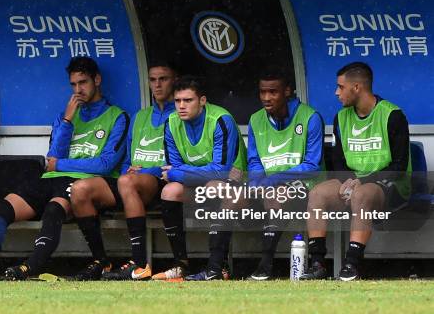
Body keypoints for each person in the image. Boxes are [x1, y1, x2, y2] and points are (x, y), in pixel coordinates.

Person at [0, 57, 128, 280]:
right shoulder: (64, 116)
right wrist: (68, 121)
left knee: (54, 210)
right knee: (3, 207)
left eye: (83, 83)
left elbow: (105, 164)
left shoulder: (117, 117)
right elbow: (53, 156)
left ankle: (31, 266)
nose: (78, 90)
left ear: (97, 80)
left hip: (86, 181)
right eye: (73, 84)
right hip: (51, 177)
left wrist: (61, 164)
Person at [301, 62, 411, 281]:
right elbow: (339, 161)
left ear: (357, 87)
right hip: (354, 182)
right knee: (317, 194)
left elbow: (398, 167)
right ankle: (317, 263)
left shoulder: (393, 115)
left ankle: (351, 265)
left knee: (361, 195)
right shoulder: (341, 117)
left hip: (390, 185)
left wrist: (362, 181)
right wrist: (347, 181)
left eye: (341, 87)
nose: (336, 92)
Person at [69, 64, 176, 281]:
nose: (157, 84)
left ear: (175, 81)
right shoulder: (139, 117)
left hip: (161, 181)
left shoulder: (181, 114)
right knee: (79, 189)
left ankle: (139, 263)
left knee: (127, 182)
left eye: (163, 79)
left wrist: (146, 170)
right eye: (152, 79)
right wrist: (129, 168)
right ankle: (101, 261)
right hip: (130, 181)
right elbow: (127, 157)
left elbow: (177, 161)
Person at [156, 76, 246, 281]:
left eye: (188, 100)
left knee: (215, 185)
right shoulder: (171, 123)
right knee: (170, 191)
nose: (181, 106)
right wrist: (181, 173)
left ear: (202, 100)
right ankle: (181, 264)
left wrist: (179, 173)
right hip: (198, 185)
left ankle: (216, 267)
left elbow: (220, 172)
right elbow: (173, 172)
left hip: (237, 186)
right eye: (177, 101)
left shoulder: (221, 120)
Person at [244, 68, 324, 280]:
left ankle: (266, 264)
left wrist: (275, 179)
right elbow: (254, 160)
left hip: (305, 187)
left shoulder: (310, 117)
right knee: (234, 196)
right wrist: (256, 182)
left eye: (273, 92)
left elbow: (312, 165)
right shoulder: (255, 120)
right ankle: (217, 266)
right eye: (262, 92)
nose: (266, 98)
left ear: (287, 91)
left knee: (275, 194)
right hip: (268, 185)